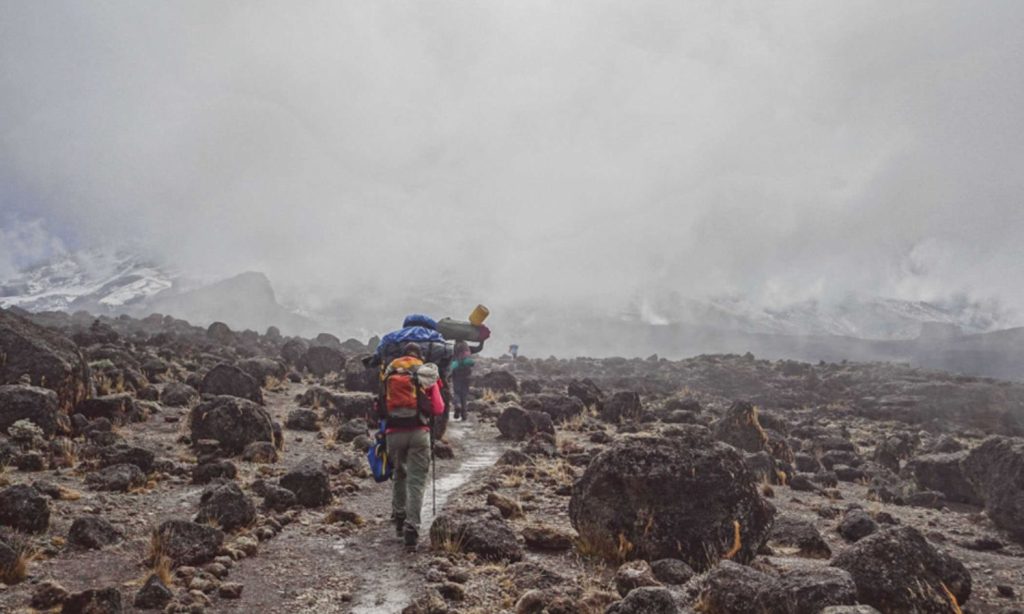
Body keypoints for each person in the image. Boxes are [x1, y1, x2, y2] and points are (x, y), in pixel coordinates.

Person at [380, 343, 445, 551]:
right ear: (420, 355)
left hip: (393, 433)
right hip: (419, 432)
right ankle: (412, 528)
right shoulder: (425, 372)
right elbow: (438, 407)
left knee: (399, 473)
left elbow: (380, 403)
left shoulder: (390, 371)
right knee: (416, 482)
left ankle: (399, 517)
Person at [450, 340, 483, 421]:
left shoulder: (453, 348)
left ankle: (457, 406)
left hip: (457, 374)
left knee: (457, 392)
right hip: (467, 374)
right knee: (464, 394)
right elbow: (479, 348)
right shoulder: (467, 348)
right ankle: (464, 414)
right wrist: (482, 341)